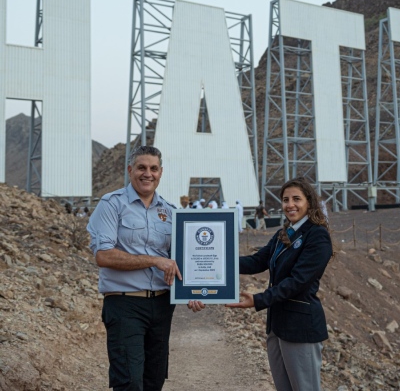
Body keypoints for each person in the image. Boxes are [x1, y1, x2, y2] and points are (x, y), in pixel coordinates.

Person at [87, 145, 204, 391]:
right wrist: (153, 260)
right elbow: (104, 255)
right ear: (130, 170)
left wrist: (192, 291)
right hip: (125, 304)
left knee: (154, 380)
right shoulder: (112, 205)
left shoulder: (171, 212)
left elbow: (179, 260)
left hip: (162, 305)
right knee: (130, 381)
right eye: (141, 168)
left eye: (153, 168)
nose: (147, 174)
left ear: (161, 172)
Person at [227, 177, 333, 391]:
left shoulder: (317, 236)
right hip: (277, 325)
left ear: (309, 202)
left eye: (296, 199)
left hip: (300, 327)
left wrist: (258, 300)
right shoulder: (283, 234)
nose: (290, 204)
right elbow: (258, 261)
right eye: (285, 199)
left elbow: (298, 282)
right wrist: (219, 264)